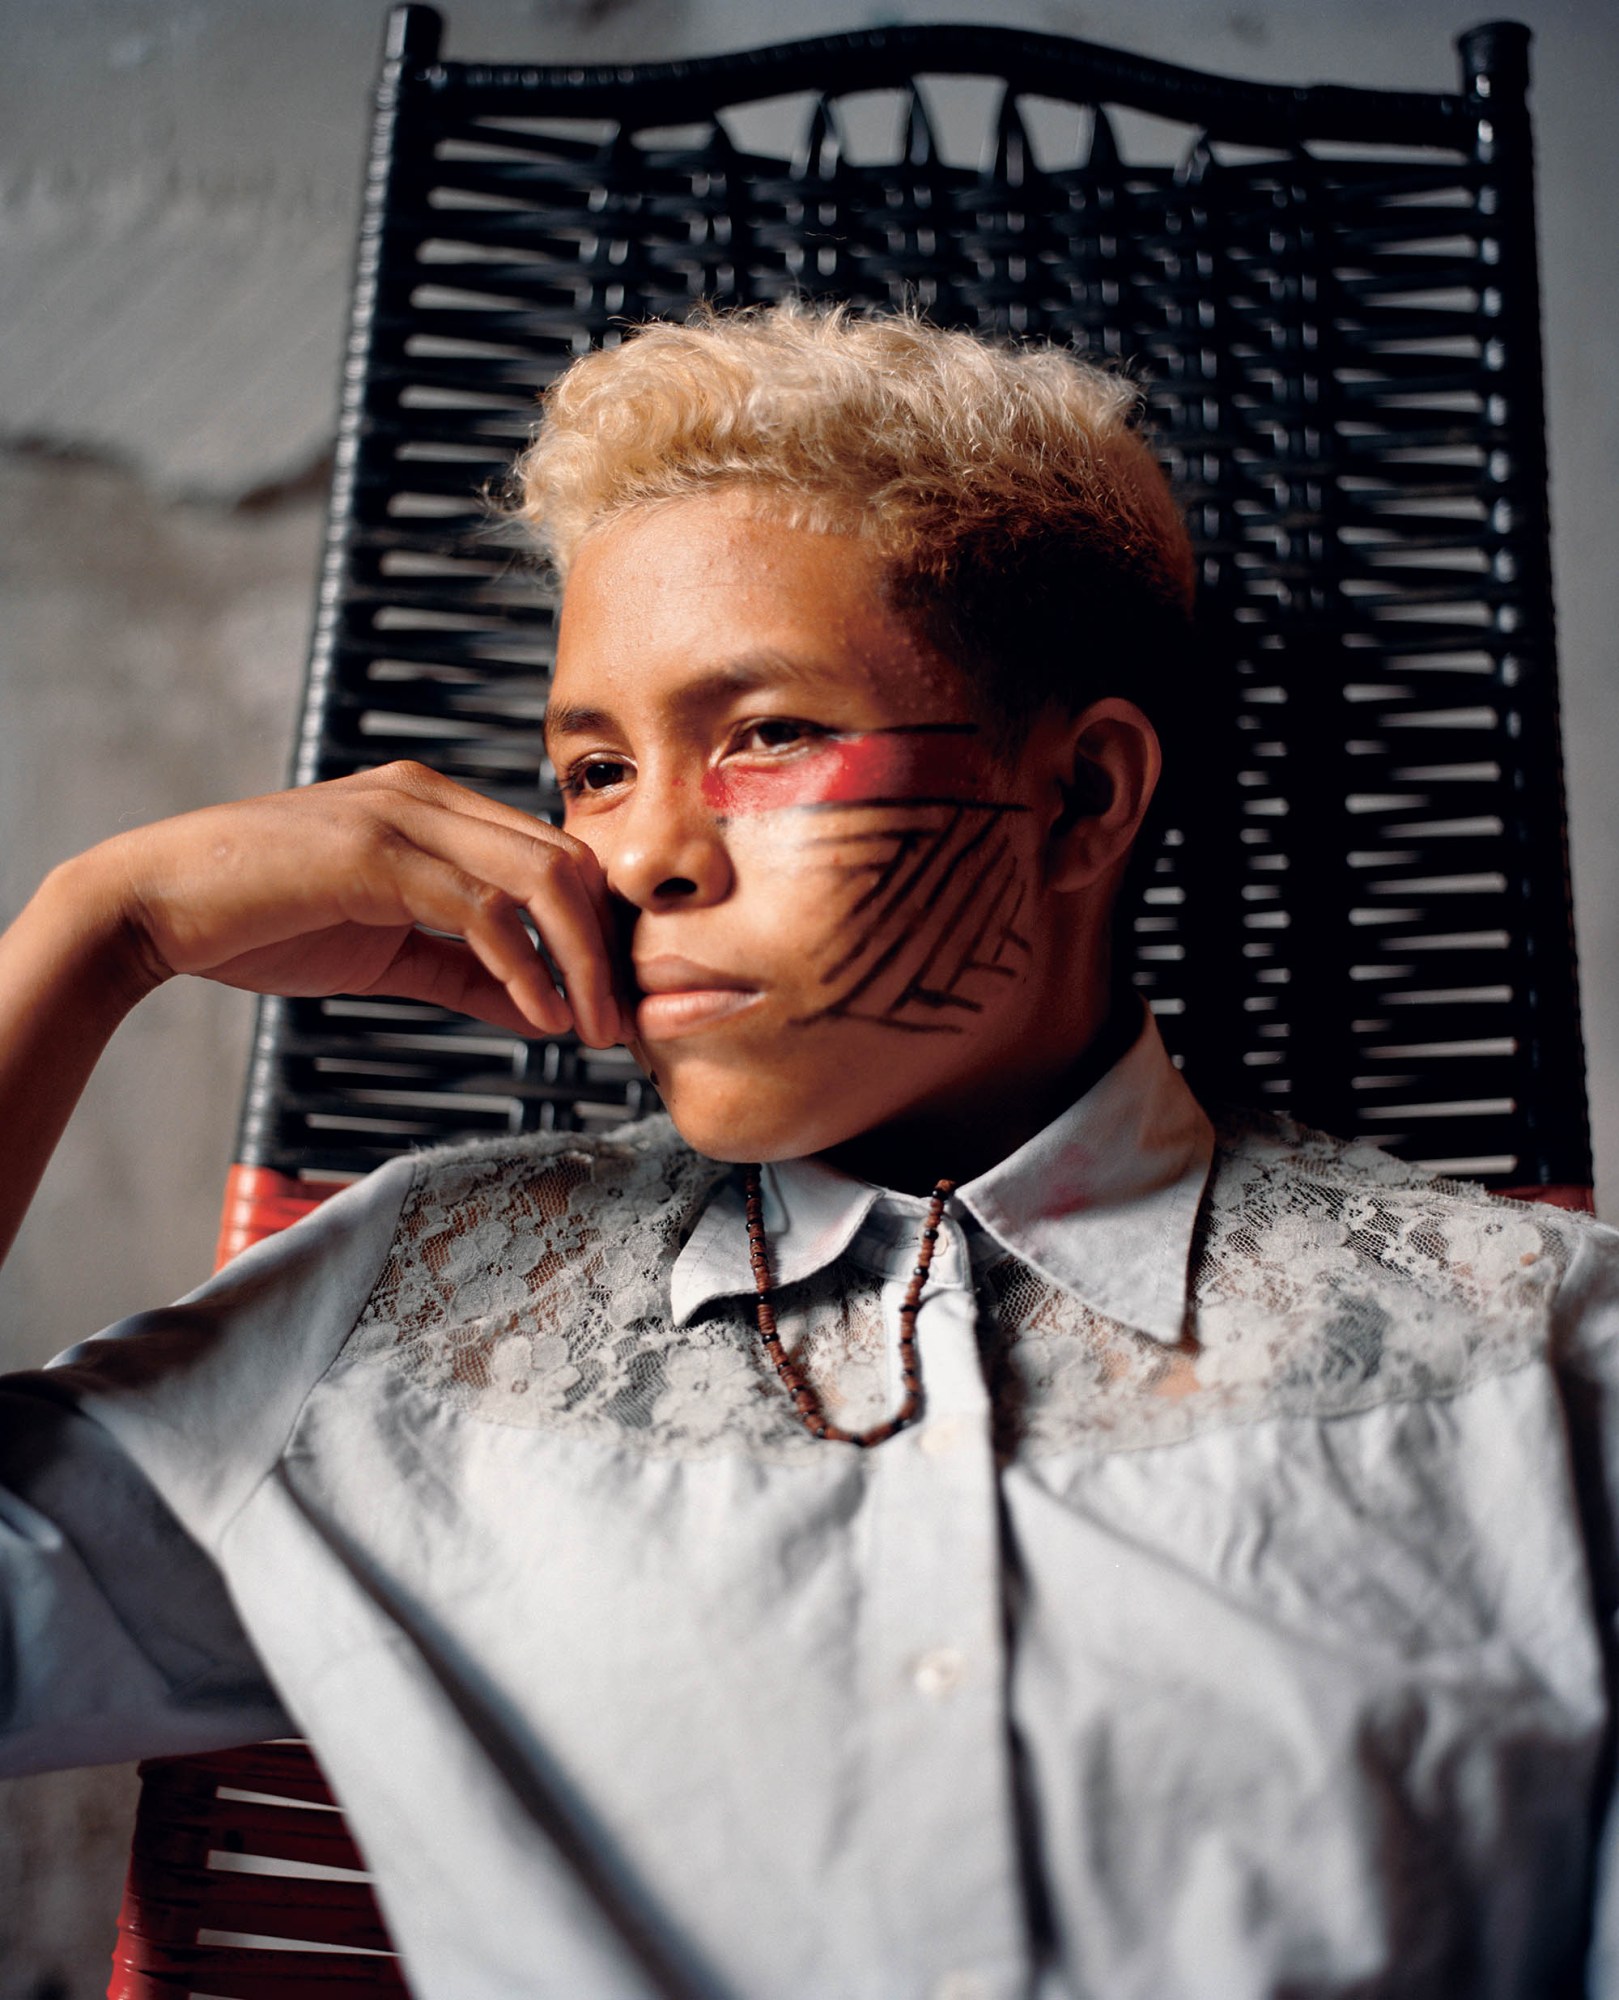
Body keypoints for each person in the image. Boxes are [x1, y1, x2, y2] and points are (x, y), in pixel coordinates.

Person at [1, 302, 1617, 2000]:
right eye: (595, 768)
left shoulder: (1539, 1364)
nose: (640, 860)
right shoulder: (402, 1329)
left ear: (1081, 799)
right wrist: (95, 933)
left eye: (765, 734)